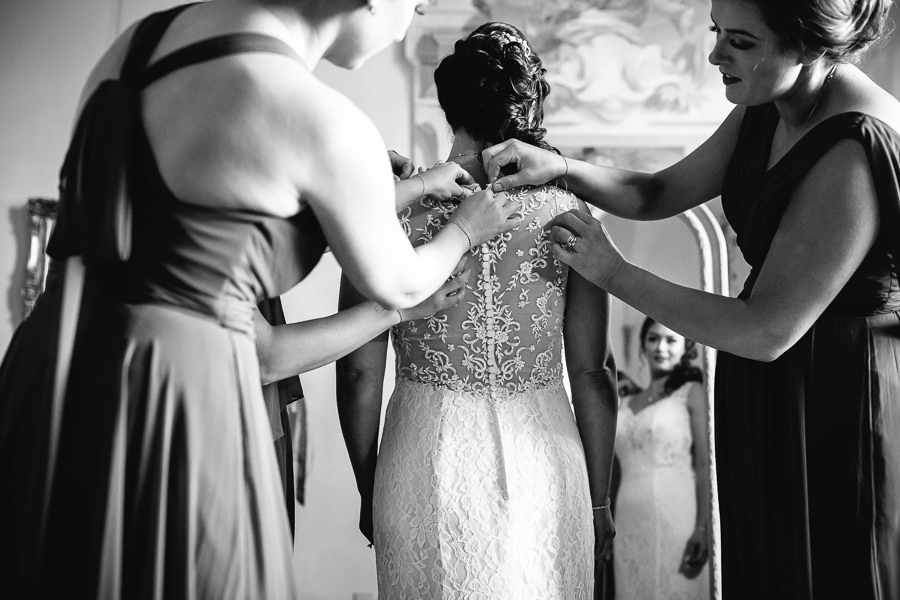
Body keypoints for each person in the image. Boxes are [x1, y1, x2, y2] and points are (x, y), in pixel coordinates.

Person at [0, 1, 523, 597]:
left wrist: (404, 188)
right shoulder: (320, 117)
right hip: (174, 394)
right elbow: (401, 282)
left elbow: (196, 223)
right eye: (417, 1)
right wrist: (465, 230)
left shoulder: (147, 39)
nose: (416, 15)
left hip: (52, 365)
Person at [479, 1, 900, 598]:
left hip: (833, 393)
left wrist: (613, 272)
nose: (714, 54)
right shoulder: (767, 103)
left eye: (741, 41)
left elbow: (767, 330)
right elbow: (657, 192)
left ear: (806, 44)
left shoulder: (854, 143)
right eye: (715, 32)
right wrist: (561, 167)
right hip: (767, 381)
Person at [336, 22, 618, 599]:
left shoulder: (393, 211)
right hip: (549, 461)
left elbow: (359, 370)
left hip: (422, 457)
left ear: (449, 106)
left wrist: (370, 484)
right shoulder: (570, 214)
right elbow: (592, 374)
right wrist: (599, 497)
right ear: (527, 107)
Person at [612, 317, 709, 600]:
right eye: (653, 339)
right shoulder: (626, 402)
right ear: (642, 345)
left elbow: (705, 465)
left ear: (686, 349)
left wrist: (703, 528)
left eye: (670, 340)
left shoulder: (692, 393)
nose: (660, 347)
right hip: (628, 517)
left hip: (677, 513)